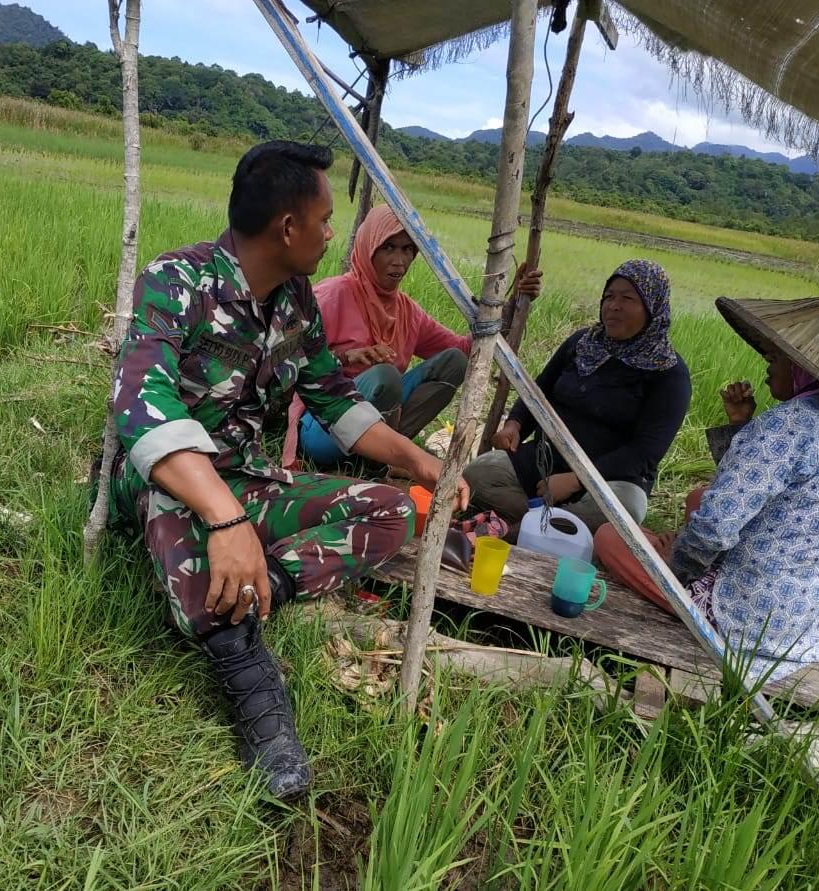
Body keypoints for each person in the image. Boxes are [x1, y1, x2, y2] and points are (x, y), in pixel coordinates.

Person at [103, 141, 470, 801]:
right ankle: (253, 687)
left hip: (246, 476)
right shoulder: (177, 279)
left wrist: (425, 462)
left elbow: (336, 399)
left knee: (389, 510)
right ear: (287, 228)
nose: (334, 235)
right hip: (168, 481)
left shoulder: (296, 300)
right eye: (327, 220)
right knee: (182, 541)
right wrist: (226, 517)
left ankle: (252, 587)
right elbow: (140, 407)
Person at [594, 286, 819, 682]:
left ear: (803, 366)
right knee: (699, 498)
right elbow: (751, 486)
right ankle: (671, 552)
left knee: (610, 536)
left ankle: (686, 591)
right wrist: (740, 425)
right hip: (810, 623)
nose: (767, 364)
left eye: (776, 356)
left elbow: (714, 527)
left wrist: (676, 571)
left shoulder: (787, 424)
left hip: (749, 620)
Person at [280, 204, 542, 469]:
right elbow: (287, 358)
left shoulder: (407, 312)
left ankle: (382, 459)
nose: (399, 260)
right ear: (368, 247)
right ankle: (378, 459)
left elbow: (468, 350)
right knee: (385, 376)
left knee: (454, 362)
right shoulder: (333, 295)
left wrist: (513, 304)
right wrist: (346, 358)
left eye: (407, 249)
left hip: (379, 429)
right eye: (388, 247)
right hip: (325, 423)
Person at [463, 259, 690, 533]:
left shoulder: (668, 374)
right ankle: (557, 527)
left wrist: (578, 479)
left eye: (628, 299)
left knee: (625, 510)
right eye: (609, 297)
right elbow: (538, 392)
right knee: (478, 475)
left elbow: (644, 454)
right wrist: (516, 423)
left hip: (611, 479)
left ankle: (532, 526)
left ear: (653, 308)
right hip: (547, 459)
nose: (614, 306)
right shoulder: (582, 343)